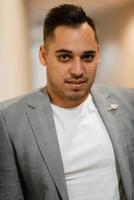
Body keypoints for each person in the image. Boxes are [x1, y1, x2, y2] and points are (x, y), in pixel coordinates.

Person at [0, 4, 134, 200]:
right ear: (43, 55)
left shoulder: (128, 102)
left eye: (87, 57)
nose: (78, 70)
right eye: (65, 57)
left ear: (98, 53)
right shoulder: (9, 120)